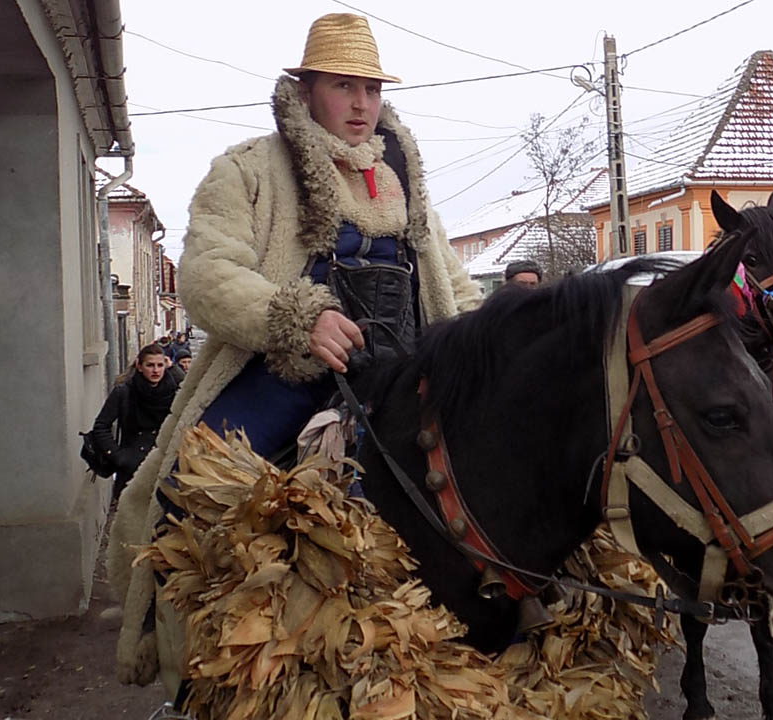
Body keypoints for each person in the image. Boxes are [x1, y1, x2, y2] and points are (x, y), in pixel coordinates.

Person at [107, 13, 482, 690]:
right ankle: (196, 667)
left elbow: (448, 279)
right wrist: (295, 318)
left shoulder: (404, 181)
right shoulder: (248, 171)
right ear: (306, 88)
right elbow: (207, 275)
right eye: (344, 85)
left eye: (370, 86)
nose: (362, 103)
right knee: (187, 490)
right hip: (287, 373)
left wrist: (492, 339)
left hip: (403, 377)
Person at [89, 344, 178, 500]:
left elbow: (191, 389)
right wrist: (118, 456)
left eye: (160, 365)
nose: (155, 370)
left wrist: (174, 368)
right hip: (132, 466)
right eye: (150, 365)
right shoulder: (124, 392)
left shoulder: (173, 391)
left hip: (165, 465)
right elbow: (101, 426)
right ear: (139, 366)